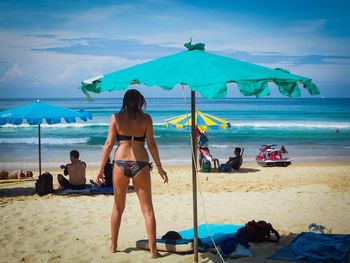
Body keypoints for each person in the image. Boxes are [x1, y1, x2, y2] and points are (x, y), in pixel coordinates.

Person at [95, 89, 168, 257]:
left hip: (120, 163)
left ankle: (113, 246)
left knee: (117, 207)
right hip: (141, 163)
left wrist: (100, 169)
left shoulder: (115, 117)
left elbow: (108, 144)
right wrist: (159, 166)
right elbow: (151, 144)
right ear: (140, 101)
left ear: (125, 101)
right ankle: (154, 251)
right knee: (147, 209)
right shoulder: (146, 119)